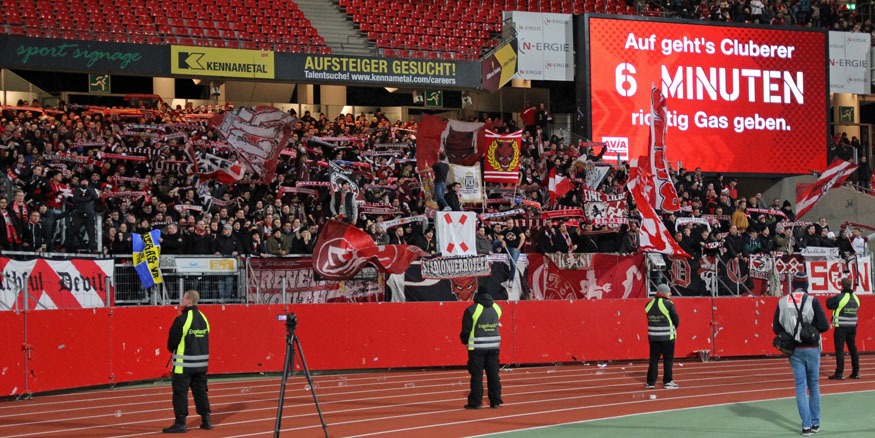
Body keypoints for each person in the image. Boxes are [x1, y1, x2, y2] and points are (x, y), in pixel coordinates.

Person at [772, 272, 829, 436]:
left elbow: (776, 328)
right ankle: (816, 423)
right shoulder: (812, 301)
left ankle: (806, 426)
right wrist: (810, 330)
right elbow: (824, 325)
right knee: (814, 385)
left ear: (793, 284)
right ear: (807, 286)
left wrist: (790, 332)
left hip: (794, 350)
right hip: (812, 348)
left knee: (800, 387)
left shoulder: (782, 301)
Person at [163, 290, 212, 433]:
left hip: (183, 366)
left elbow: (171, 342)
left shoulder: (182, 319)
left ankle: (180, 422)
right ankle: (206, 420)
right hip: (201, 365)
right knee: (201, 392)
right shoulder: (204, 318)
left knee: (180, 393)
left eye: (184, 297)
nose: (182, 299)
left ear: (189, 300)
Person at [459, 289, 503, 409]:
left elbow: (466, 330)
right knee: (493, 374)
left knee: (477, 376)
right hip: (494, 346)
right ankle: (496, 401)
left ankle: (476, 402)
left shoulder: (472, 310)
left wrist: (465, 342)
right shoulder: (497, 308)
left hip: (477, 347)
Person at [645, 283, 680, 389]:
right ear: (664, 292)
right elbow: (676, 319)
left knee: (653, 360)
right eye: (669, 291)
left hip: (653, 337)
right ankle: (668, 381)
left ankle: (651, 382)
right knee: (668, 360)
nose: (670, 293)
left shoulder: (648, 304)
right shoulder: (669, 304)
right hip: (667, 337)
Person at [826, 277, 860, 380]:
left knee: (840, 350)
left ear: (841, 285)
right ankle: (856, 372)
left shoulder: (841, 297)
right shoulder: (856, 298)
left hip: (841, 327)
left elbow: (828, 304)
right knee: (853, 349)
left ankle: (839, 373)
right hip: (852, 327)